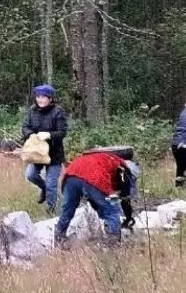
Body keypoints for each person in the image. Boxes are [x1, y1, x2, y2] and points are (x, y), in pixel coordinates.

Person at [55, 150, 139, 245]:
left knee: (67, 209)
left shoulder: (106, 159)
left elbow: (93, 199)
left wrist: (102, 209)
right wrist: (128, 218)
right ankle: (113, 244)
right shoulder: (123, 169)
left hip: (71, 173)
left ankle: (59, 238)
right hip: (93, 176)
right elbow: (125, 199)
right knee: (112, 210)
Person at [21, 85, 68, 213]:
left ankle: (51, 210)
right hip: (37, 152)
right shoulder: (32, 110)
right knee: (30, 175)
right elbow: (25, 126)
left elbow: (62, 132)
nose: (40, 100)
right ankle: (44, 188)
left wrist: (49, 135)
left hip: (54, 153)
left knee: (51, 183)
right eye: (38, 97)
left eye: (43, 97)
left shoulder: (58, 112)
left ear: (50, 98)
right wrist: (30, 134)